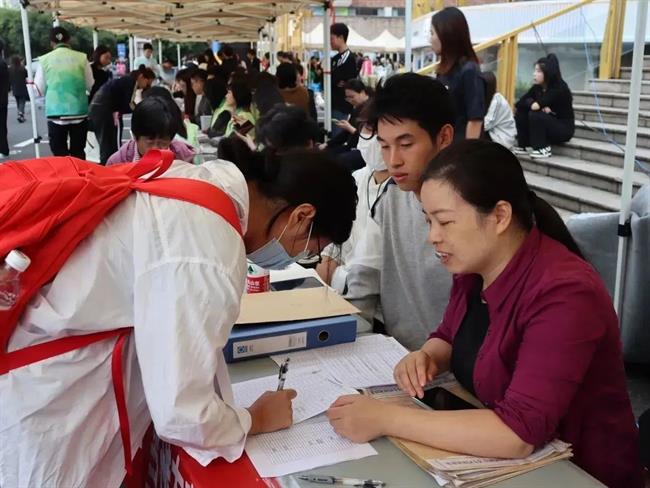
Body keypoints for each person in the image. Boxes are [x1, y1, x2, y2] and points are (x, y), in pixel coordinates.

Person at [1, 134, 358, 488]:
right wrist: (255, 419)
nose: (296, 258)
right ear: (301, 215)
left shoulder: (202, 182)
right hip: (53, 405)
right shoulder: (208, 248)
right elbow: (182, 414)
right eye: (308, 248)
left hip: (42, 360)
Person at [326, 139, 644, 488]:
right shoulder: (475, 267)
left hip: (579, 474)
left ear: (500, 216)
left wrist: (386, 418)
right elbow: (449, 334)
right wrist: (428, 356)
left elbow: (518, 433)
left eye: (445, 222)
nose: (433, 237)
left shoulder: (565, 293)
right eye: (428, 221)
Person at [343, 73, 454, 350]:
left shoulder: (474, 206)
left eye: (406, 145)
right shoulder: (390, 196)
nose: (393, 160)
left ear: (444, 137)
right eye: (384, 145)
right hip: (397, 357)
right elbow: (363, 279)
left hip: (456, 366)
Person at [318, 127, 390, 294]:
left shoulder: (405, 190)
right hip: (341, 287)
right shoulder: (356, 178)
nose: (374, 140)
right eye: (369, 128)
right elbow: (333, 248)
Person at [34, 27, 94, 159]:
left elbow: (39, 89)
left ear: (51, 42)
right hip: (79, 111)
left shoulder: (44, 60)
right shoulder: (82, 58)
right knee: (78, 152)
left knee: (59, 154)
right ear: (69, 40)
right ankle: (78, 172)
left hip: (55, 113)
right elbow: (90, 84)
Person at [430, 7, 485, 140]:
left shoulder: (469, 71)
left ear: (446, 34)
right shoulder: (443, 71)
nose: (430, 39)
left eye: (432, 33)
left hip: (459, 146)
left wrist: (466, 151)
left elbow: (475, 120)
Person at [89, 65, 155, 164]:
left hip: (99, 108)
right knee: (109, 143)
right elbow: (128, 104)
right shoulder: (131, 82)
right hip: (103, 110)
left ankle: (107, 165)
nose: (145, 87)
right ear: (141, 77)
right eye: (147, 83)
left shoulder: (125, 80)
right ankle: (109, 166)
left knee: (107, 143)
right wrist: (141, 111)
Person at [514, 54, 575, 158]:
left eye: (538, 71)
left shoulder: (558, 88)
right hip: (549, 122)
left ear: (547, 73)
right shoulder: (537, 87)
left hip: (563, 128)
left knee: (535, 114)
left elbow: (535, 107)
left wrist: (535, 105)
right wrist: (533, 103)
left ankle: (542, 148)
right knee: (521, 111)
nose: (534, 74)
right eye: (535, 70)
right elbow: (519, 103)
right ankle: (524, 144)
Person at [106, 95, 194, 165]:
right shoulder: (117, 163)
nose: (155, 149)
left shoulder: (183, 157)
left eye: (162, 143)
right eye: (150, 141)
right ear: (135, 136)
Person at [324, 79, 373, 173]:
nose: (350, 100)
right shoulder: (357, 109)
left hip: (366, 150)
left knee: (338, 161)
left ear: (362, 92)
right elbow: (346, 134)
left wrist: (350, 129)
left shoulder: (372, 109)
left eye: (352, 97)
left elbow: (369, 138)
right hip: (352, 146)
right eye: (347, 98)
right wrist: (327, 144)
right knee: (326, 154)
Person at [330, 23, 358, 136]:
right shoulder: (335, 59)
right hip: (333, 103)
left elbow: (346, 82)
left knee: (338, 135)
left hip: (341, 105)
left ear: (341, 37)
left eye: (332, 38)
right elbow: (332, 80)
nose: (330, 42)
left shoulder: (348, 58)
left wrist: (337, 81)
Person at [481, 72, 516, 149]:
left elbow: (487, 124)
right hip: (494, 134)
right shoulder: (488, 98)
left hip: (502, 139)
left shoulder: (496, 100)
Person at [9, 55, 28, 124]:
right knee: (22, 101)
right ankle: (20, 113)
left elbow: (8, 79)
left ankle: (20, 114)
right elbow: (26, 75)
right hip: (22, 87)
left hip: (14, 88)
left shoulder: (10, 69)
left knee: (18, 101)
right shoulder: (22, 68)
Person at [0, 38, 8, 158]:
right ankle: (4, 149)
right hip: (3, 99)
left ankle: (3, 149)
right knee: (2, 126)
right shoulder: (3, 63)